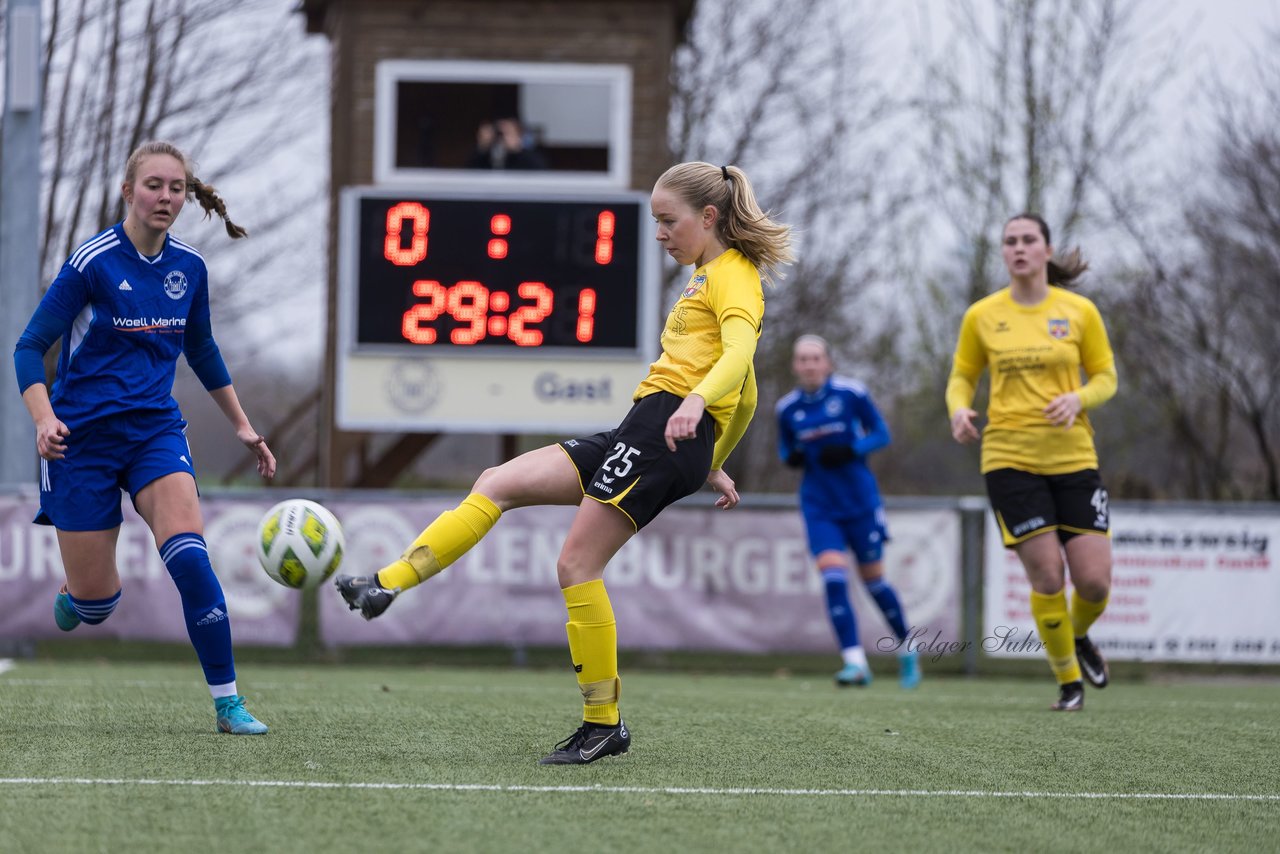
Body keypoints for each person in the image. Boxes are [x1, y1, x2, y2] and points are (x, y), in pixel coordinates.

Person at [336, 161, 793, 764]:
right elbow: (751, 392)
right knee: (497, 482)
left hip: (664, 430)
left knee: (577, 565)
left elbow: (738, 358)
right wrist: (713, 459)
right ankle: (386, 585)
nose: (659, 233)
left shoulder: (734, 275)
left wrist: (698, 406)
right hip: (650, 426)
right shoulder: (704, 278)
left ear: (709, 218)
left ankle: (603, 724)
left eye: (668, 221)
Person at [12, 141, 277, 734]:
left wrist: (241, 424)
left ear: (187, 197)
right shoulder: (93, 262)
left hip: (155, 431)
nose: (165, 197)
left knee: (190, 558)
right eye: (153, 185)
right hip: (80, 441)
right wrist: (43, 419)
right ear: (128, 192)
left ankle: (228, 703)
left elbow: (202, 347)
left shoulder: (190, 268)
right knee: (99, 603)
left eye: (176, 188)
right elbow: (29, 347)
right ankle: (80, 598)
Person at [946, 213, 1117, 712]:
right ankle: (1069, 686)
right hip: (1009, 459)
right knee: (1047, 578)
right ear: (1004, 253)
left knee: (1094, 583)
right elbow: (961, 376)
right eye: (1010, 242)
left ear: (1046, 249)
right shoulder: (982, 315)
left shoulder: (1079, 311)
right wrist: (958, 408)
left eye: (1028, 240)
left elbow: (1106, 376)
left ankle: (1080, 636)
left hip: (1074, 458)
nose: (1018, 248)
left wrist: (1079, 398)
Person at [776, 335, 920, 689]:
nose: (809, 365)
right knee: (834, 579)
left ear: (828, 363)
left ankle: (908, 649)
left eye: (815, 358)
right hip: (819, 506)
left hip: (860, 503)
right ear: (795, 366)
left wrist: (852, 449)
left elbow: (882, 434)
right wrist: (791, 457)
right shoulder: (786, 409)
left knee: (875, 583)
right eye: (803, 359)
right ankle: (855, 664)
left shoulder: (851, 394)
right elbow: (785, 450)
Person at [467, 116, 548, 170]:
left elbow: (540, 170)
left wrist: (516, 150)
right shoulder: (484, 156)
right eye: (499, 133)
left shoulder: (529, 157)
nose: (501, 137)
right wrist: (483, 147)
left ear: (519, 135)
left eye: (508, 132)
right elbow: (469, 171)